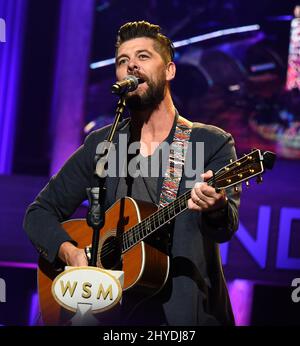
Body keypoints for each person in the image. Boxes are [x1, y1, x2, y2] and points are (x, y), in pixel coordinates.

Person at [24, 21, 240, 326]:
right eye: (123, 61)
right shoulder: (103, 143)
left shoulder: (210, 143)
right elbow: (39, 213)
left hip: (186, 315)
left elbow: (224, 229)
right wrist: (70, 253)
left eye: (143, 57)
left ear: (169, 71)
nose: (131, 67)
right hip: (115, 316)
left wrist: (216, 207)